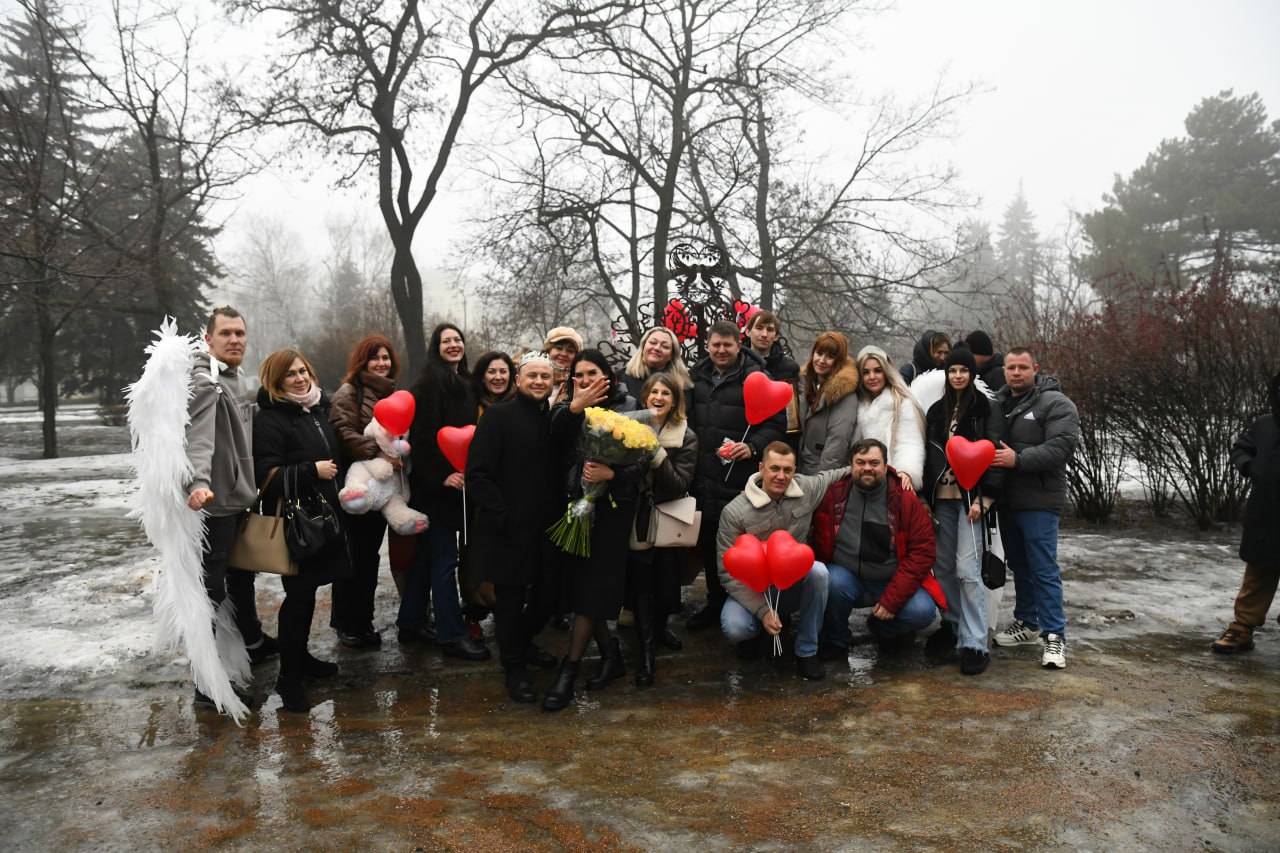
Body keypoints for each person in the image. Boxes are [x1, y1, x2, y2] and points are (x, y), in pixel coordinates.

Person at [542, 349, 642, 711]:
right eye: (578, 375)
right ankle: (611, 655)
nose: (584, 380)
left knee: (591, 588)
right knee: (584, 586)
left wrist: (611, 475)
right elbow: (552, 440)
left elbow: (644, 460)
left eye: (591, 373)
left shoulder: (628, 405)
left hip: (612, 510)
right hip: (575, 505)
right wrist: (572, 407)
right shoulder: (565, 407)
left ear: (607, 376)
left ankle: (568, 674)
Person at [252, 348, 350, 713]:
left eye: (303, 371)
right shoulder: (270, 420)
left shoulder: (316, 410)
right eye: (290, 374)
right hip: (297, 524)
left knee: (308, 594)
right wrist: (311, 470)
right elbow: (264, 477)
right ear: (277, 382)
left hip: (322, 518)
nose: (300, 378)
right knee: (298, 596)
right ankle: (289, 678)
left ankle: (302, 659)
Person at [466, 352, 565, 703]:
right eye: (532, 376)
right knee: (508, 603)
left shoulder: (552, 420)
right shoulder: (497, 417)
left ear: (553, 382)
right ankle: (514, 668)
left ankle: (520, 644)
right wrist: (502, 513)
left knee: (548, 597)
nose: (539, 381)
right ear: (518, 380)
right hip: (507, 528)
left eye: (545, 376)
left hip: (547, 529)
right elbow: (477, 475)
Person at [184, 306, 268, 708]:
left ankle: (242, 653)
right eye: (226, 333)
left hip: (233, 502)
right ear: (208, 339)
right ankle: (207, 685)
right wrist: (199, 483)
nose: (235, 340)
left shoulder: (232, 379)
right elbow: (198, 439)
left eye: (240, 333)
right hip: (213, 508)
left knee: (229, 588)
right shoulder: (206, 383)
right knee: (210, 596)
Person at [685, 320, 787, 631]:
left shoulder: (757, 377)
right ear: (707, 344)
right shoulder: (695, 378)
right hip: (703, 476)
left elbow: (776, 424)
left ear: (738, 344)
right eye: (716, 344)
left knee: (742, 548)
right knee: (709, 546)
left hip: (739, 480)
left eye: (727, 344)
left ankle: (747, 613)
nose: (721, 350)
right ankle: (715, 604)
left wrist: (753, 446)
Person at [718, 442, 849, 680]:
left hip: (790, 584)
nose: (781, 476)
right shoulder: (734, 512)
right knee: (736, 627)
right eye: (774, 468)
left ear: (795, 470)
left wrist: (895, 472)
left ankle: (807, 650)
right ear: (761, 468)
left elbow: (839, 473)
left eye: (788, 470)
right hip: (753, 588)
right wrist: (762, 611)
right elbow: (726, 572)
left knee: (819, 572)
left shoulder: (806, 488)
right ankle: (756, 632)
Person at [402, 324, 490, 661]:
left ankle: (410, 622)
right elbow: (421, 440)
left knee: (427, 560)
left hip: (458, 487)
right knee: (444, 561)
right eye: (445, 341)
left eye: (457, 340)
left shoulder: (466, 384)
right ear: (435, 348)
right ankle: (452, 635)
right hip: (434, 489)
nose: (453, 345)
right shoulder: (428, 385)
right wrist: (443, 476)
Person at [990, 347, 1080, 670]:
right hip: (1007, 501)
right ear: (1003, 370)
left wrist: (1018, 459)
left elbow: (1061, 448)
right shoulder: (997, 404)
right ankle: (1027, 622)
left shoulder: (1056, 403)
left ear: (1035, 369)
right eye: (1011, 367)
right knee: (1020, 566)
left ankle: (1054, 636)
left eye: (1022, 367)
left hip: (1040, 502)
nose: (1016, 372)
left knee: (1043, 568)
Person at [920, 345, 1004, 675]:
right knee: (942, 569)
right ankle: (953, 626)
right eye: (953, 370)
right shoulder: (936, 412)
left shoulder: (986, 409)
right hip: (941, 499)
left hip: (972, 503)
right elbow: (929, 456)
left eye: (964, 371)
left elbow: (995, 455)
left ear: (972, 374)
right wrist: (925, 496)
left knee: (968, 571)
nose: (957, 376)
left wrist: (988, 498)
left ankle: (975, 641)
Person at [814, 438, 939, 657]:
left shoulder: (905, 499)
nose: (867, 469)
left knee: (923, 611)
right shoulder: (834, 494)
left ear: (885, 465)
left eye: (874, 463)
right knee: (828, 580)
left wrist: (893, 600)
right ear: (851, 465)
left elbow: (922, 552)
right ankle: (836, 638)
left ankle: (884, 628)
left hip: (891, 580)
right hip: (847, 578)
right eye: (860, 462)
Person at [327, 334, 401, 649]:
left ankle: (362, 620)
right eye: (375, 358)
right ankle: (347, 624)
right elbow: (343, 433)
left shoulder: (392, 393)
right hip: (357, 488)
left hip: (383, 488)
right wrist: (379, 452)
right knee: (352, 559)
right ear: (362, 361)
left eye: (386, 357)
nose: (381, 363)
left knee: (368, 559)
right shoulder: (350, 392)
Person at [626, 372, 698, 686]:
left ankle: (660, 628)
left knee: (666, 586)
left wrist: (654, 450)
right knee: (640, 585)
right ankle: (645, 656)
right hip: (637, 519)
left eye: (666, 393)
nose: (658, 397)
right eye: (653, 391)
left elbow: (678, 483)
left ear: (675, 401)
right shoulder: (628, 427)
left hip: (668, 516)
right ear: (645, 396)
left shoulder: (686, 436)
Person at [1212, 370, 1280, 654]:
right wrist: (1250, 468)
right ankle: (1242, 627)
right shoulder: (1265, 424)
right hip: (1267, 512)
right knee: (1258, 573)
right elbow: (1241, 448)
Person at [853, 345, 926, 491]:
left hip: (893, 482)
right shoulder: (857, 404)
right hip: (863, 481)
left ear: (886, 372)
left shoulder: (902, 402)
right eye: (866, 372)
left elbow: (909, 442)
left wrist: (906, 471)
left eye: (878, 371)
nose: (872, 377)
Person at [797, 332, 860, 475]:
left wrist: (820, 483)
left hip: (820, 475)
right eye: (819, 353)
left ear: (838, 361)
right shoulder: (803, 383)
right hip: (798, 469)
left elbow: (836, 447)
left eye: (830, 357)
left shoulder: (845, 395)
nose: (822, 360)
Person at [620, 326, 693, 400]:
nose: (657, 348)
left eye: (665, 346)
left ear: (671, 355)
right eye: (652, 342)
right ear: (643, 347)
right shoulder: (621, 378)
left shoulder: (682, 384)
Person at [743, 310, 800, 384]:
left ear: (776, 336)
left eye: (770, 330)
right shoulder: (735, 363)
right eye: (759, 328)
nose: (764, 334)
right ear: (748, 332)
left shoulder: (790, 368)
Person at [542, 326, 584, 407]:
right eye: (559, 348)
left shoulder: (580, 383)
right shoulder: (533, 378)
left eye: (570, 351)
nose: (564, 354)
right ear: (548, 350)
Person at [472, 350, 516, 415]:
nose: (498, 377)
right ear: (482, 377)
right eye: (491, 372)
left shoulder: (521, 404)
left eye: (503, 372)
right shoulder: (472, 404)